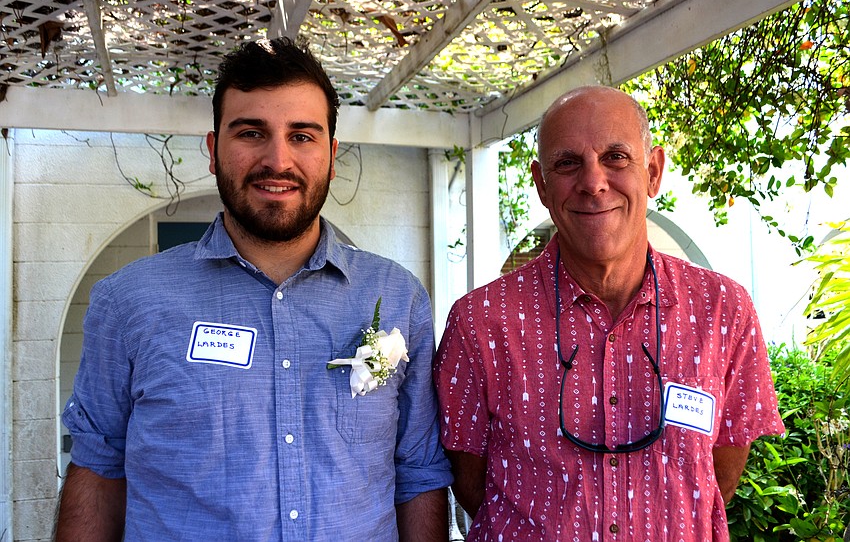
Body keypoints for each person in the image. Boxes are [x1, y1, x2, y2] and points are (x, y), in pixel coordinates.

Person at [56, 37, 451, 541]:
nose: (277, 159)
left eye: (302, 136)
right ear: (213, 149)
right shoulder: (129, 302)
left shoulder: (398, 297)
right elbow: (97, 468)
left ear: (332, 154)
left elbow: (418, 474)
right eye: (251, 132)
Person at [433, 86, 785, 541]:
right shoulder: (480, 323)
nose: (593, 182)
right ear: (541, 185)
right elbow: (469, 482)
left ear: (653, 171)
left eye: (616, 157)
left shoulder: (724, 311)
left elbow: (720, 475)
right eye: (567, 163)